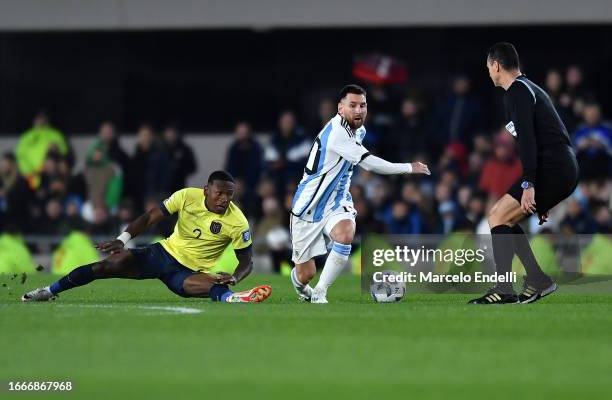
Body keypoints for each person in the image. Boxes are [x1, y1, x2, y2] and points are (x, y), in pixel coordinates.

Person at [22, 171, 272, 303]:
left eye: (230, 195)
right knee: (106, 265)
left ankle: (234, 298)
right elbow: (151, 216)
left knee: (214, 286)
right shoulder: (186, 196)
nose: (225, 199)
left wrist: (237, 277)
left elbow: (246, 260)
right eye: (220, 193)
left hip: (189, 271)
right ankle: (49, 290)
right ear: (206, 190)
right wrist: (122, 238)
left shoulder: (237, 221)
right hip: (163, 254)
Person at [289, 84, 430, 304]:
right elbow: (370, 164)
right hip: (309, 204)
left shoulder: (359, 130)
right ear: (340, 108)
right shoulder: (337, 133)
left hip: (337, 200)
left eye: (362, 105)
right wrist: (409, 167)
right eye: (352, 105)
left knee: (345, 234)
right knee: (305, 274)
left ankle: (320, 292)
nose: (358, 110)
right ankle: (302, 287)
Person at [469, 42, 579, 305]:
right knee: (505, 219)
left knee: (496, 216)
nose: (488, 73)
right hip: (558, 167)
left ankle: (505, 289)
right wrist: (544, 191)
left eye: (488, 68)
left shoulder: (516, 91)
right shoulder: (529, 89)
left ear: (496, 65)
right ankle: (537, 279)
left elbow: (528, 141)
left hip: (553, 167)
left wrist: (530, 182)